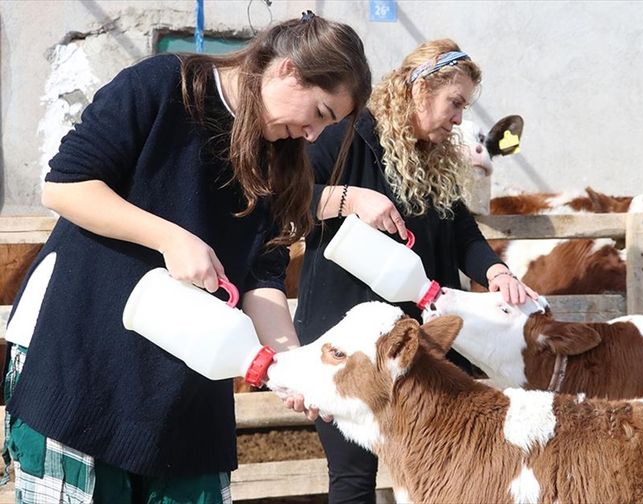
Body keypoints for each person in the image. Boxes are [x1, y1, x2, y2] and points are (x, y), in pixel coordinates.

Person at [1, 11, 371, 503]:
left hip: (185, 402)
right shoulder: (162, 87)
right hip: (87, 370)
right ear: (286, 69)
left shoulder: (281, 163)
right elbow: (66, 186)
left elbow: (264, 277)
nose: (312, 136)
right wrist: (171, 238)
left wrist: (292, 365)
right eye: (320, 113)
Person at [289, 39, 538, 503]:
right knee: (353, 477)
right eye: (455, 103)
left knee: (440, 466)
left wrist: (497, 272)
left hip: (418, 347)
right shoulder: (345, 134)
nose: (460, 118)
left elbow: (462, 233)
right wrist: (350, 199)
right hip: (349, 345)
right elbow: (286, 197)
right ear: (420, 89)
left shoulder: (435, 158)